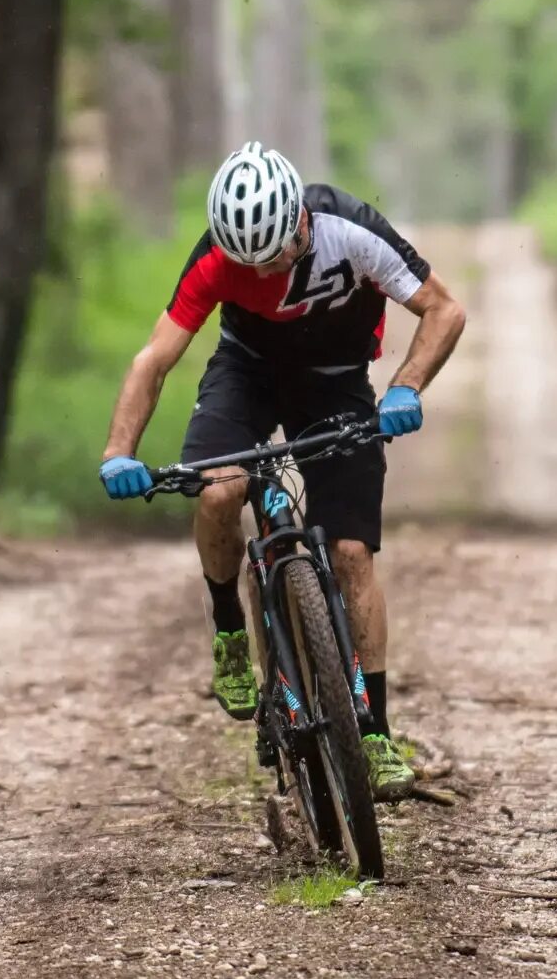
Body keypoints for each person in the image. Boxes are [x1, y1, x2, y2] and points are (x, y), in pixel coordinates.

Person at [97, 142, 466, 797]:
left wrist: (407, 386)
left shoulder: (350, 229)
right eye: (250, 261)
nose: (264, 270)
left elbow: (444, 309)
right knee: (219, 492)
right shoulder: (218, 255)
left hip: (336, 382)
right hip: (247, 374)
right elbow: (153, 359)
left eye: (274, 254)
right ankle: (230, 632)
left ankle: (374, 733)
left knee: (350, 553)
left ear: (299, 218)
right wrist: (119, 450)